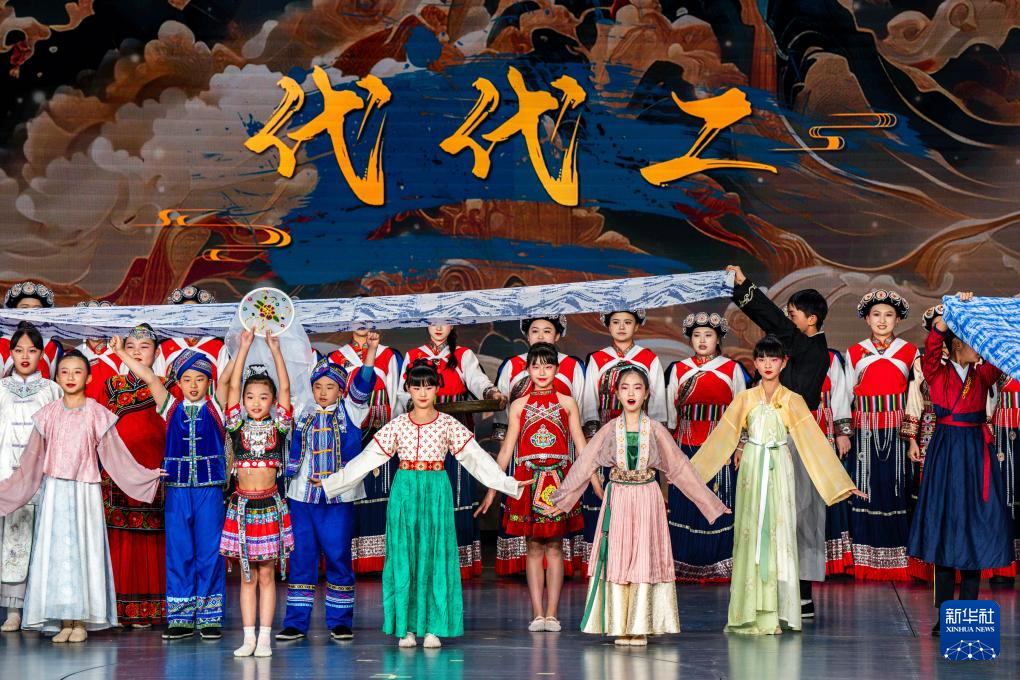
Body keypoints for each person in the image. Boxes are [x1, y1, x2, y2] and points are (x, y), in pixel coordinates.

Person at [321, 360, 524, 649]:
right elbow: (366, 460)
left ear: (437, 389)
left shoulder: (447, 424)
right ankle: (406, 627)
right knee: (404, 554)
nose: (423, 392)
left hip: (436, 490)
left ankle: (433, 626)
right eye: (416, 387)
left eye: (428, 386)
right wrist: (331, 483)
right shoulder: (398, 425)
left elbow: (477, 459)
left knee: (435, 554)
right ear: (408, 389)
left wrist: (508, 484)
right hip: (405, 491)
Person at [692, 335, 863, 635]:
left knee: (780, 532)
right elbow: (722, 437)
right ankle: (748, 611)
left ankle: (779, 610)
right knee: (751, 532)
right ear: (755, 364)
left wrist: (842, 483)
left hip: (780, 468)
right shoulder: (745, 398)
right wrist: (689, 474)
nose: (768, 365)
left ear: (784, 363)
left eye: (774, 359)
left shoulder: (793, 400)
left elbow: (814, 443)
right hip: (752, 468)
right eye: (762, 359)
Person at [550, 365, 729, 645]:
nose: (631, 393)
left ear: (646, 394)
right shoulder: (610, 429)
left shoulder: (655, 430)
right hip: (619, 497)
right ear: (617, 394)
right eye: (625, 388)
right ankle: (620, 625)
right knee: (619, 556)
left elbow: (680, 468)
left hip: (647, 496)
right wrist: (562, 500)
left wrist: (711, 503)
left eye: (637, 387)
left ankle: (640, 624)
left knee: (644, 556)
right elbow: (585, 464)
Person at [0, 351, 163, 642]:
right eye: (64, 372)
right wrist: (8, 490)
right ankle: (65, 620)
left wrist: (145, 476)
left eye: (77, 372)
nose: (71, 377)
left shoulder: (96, 413)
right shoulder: (47, 414)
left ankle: (81, 622)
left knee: (83, 552)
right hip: (55, 494)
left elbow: (116, 456)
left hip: (85, 491)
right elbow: (31, 462)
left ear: (88, 378)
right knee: (58, 555)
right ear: (57, 377)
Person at [725, 265, 837, 617]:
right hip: (775, 436)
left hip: (795, 439)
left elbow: (771, 319)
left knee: (799, 513)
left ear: (811, 320)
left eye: (793, 315)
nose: (788, 320)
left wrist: (744, 286)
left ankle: (800, 594)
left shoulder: (811, 348)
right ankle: (778, 591)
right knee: (772, 512)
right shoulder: (803, 347)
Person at [908, 294, 1013, 635]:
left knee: (974, 527)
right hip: (946, 449)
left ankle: (966, 610)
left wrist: (975, 311)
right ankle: (944, 614)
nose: (979, 351)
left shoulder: (982, 373)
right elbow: (931, 347)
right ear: (957, 345)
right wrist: (950, 314)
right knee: (945, 528)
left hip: (975, 450)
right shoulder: (936, 371)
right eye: (973, 344)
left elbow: (999, 351)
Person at [116, 344, 231, 640]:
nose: (193, 385)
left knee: (209, 552)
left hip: (209, 491)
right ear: (178, 383)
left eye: (200, 379)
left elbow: (230, 376)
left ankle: (209, 617)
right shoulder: (170, 407)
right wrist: (122, 353)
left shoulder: (216, 407)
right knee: (179, 552)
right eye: (187, 379)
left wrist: (243, 347)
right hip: (177, 490)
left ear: (209, 382)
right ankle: (180, 617)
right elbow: (149, 376)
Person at [476, 342, 588, 631]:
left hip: (558, 482)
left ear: (557, 369)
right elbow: (506, 451)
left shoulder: (567, 403)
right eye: (536, 366)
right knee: (534, 548)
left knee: (556, 548)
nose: (542, 372)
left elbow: (582, 448)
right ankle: (538, 613)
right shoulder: (519, 405)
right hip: (527, 481)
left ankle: (553, 614)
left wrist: (596, 485)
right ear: (527, 369)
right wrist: (492, 489)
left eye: (548, 366)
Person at [277, 337, 379, 642]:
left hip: (338, 498)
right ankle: (296, 622)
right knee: (302, 558)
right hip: (301, 497)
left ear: (341, 390)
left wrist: (371, 353)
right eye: (318, 386)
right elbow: (285, 385)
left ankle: (340, 621)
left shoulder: (352, 410)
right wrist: (276, 350)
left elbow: (364, 383)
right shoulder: (302, 409)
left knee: (337, 556)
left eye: (330, 387)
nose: (323, 392)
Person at [400, 324, 506, 578]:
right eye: (433, 321)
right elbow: (401, 395)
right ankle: (424, 562)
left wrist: (491, 392)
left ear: (453, 325)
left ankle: (457, 562)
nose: (439, 327)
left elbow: (478, 381)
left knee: (457, 491)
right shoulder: (413, 355)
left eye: (445, 321)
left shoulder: (462, 354)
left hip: (455, 430)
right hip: (423, 430)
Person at [491, 316, 586, 576]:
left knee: (556, 534)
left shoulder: (572, 366)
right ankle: (519, 566)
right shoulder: (512, 365)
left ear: (558, 335)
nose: (541, 336)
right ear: (527, 335)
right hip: (523, 457)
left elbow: (581, 410)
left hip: (561, 455)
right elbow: (504, 419)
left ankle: (561, 568)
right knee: (528, 529)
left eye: (547, 330)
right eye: (535, 331)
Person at [221, 329, 295, 657]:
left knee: (267, 574)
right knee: (246, 576)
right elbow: (231, 387)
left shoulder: (279, 426)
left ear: (273, 402)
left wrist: (276, 351)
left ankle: (265, 637)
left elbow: (286, 389)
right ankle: (248, 637)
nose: (255, 402)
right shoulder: (236, 426)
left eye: (263, 397)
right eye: (250, 397)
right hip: (242, 507)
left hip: (269, 506)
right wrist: (244, 348)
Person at [665, 312, 747, 582]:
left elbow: (742, 411)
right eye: (697, 335)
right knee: (685, 503)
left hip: (721, 447)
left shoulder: (732, 369)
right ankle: (684, 563)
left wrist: (740, 445)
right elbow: (670, 413)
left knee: (719, 500)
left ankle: (719, 563)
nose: (702, 340)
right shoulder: (678, 369)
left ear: (718, 339)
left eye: (708, 335)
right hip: (685, 445)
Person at [577, 310, 663, 567]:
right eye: (615, 322)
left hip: (640, 438)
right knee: (602, 496)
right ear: (607, 326)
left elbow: (657, 402)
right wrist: (594, 438)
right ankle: (603, 558)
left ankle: (639, 559)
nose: (622, 327)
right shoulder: (597, 358)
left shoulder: (648, 358)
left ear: (637, 326)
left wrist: (655, 437)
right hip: (606, 436)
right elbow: (589, 401)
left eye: (628, 322)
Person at [845, 289, 918, 581]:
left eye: (889, 315)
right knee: (867, 490)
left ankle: (902, 559)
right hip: (864, 431)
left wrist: (913, 436)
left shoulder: (910, 351)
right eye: (876, 314)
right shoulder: (854, 352)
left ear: (898, 319)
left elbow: (916, 397)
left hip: (898, 432)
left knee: (897, 489)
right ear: (867, 319)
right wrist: (844, 433)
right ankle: (866, 559)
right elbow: (845, 396)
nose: (882, 320)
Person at [103, 327, 171, 628]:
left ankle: (153, 610)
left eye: (144, 347)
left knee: (153, 539)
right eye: (130, 346)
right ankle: (118, 611)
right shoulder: (111, 386)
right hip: (117, 473)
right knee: (121, 538)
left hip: (155, 472)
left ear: (156, 352)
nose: (136, 352)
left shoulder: (167, 384)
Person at [0, 323, 62, 633]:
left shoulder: (52, 390)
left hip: (42, 476)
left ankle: (44, 611)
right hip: (7, 473)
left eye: (32, 350)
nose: (25, 356)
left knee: (43, 539)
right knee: (13, 539)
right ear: (11, 353)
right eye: (19, 350)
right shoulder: (0, 389)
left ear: (41, 355)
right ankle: (13, 610)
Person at [327, 329, 403, 574]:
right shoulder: (336, 357)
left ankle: (382, 559)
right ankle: (351, 559)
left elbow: (397, 397)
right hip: (349, 432)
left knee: (382, 492)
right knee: (351, 489)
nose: (362, 325)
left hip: (383, 431)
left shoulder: (389, 355)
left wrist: (395, 430)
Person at [154, 286, 230, 393]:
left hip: (209, 403)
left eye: (195, 311)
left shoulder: (218, 345)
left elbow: (224, 384)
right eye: (185, 311)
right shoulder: (165, 346)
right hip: (172, 403)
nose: (189, 316)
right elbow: (158, 386)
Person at [1, 282, 63, 379]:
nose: (30, 314)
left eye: (36, 310)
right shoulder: (2, 344)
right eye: (24, 308)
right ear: (14, 312)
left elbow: (55, 381)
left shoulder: (52, 346)